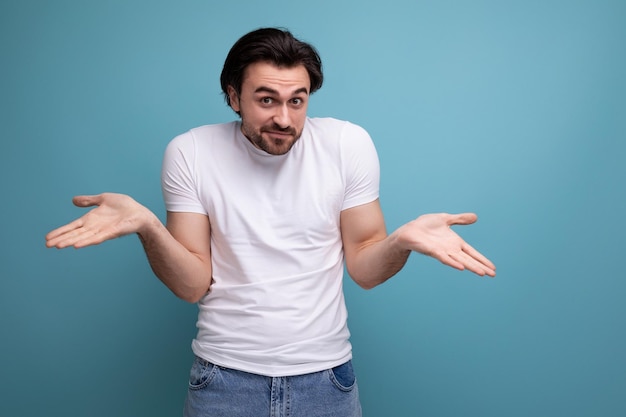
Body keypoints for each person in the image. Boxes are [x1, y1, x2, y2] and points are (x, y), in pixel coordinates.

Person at [46, 27, 496, 417]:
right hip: (223, 381)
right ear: (233, 95)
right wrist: (147, 226)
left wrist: (401, 241)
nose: (284, 118)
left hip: (326, 381)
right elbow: (191, 284)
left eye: (296, 101)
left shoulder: (347, 144)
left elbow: (363, 267)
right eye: (266, 100)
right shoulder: (191, 152)